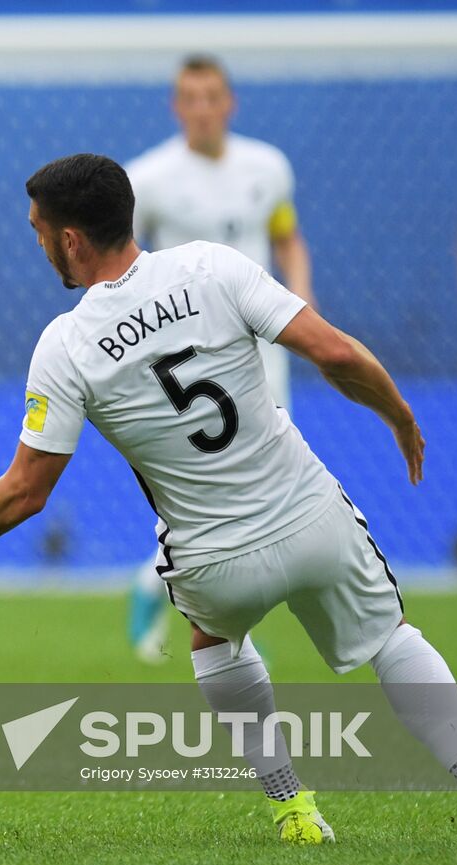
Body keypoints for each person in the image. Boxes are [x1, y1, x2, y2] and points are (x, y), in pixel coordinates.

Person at [0, 154, 457, 849]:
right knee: (393, 638)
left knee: (211, 640)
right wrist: (397, 411)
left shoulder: (65, 345)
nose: (38, 244)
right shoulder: (212, 267)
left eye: (39, 230)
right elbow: (335, 354)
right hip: (310, 517)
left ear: (70, 239)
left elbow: (25, 492)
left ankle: (293, 808)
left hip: (213, 559)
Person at [121, 53, 315, 663]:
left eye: (212, 97)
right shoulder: (147, 178)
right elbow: (124, 257)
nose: (202, 109)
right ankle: (179, 590)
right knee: (211, 487)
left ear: (229, 102)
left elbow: (286, 237)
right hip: (193, 365)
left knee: (264, 480)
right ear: (176, 107)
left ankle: (162, 585)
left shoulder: (268, 167)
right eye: (190, 98)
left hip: (264, 347)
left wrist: (302, 309)